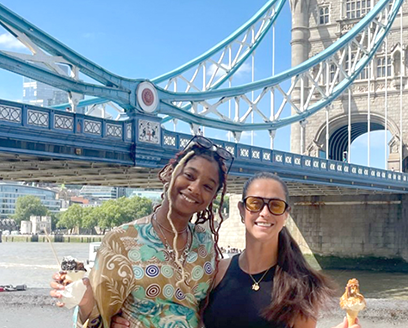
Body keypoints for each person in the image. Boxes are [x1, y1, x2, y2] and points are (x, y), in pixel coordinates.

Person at [112, 172, 361, 328]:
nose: (264, 213)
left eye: (275, 206)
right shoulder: (215, 271)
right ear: (242, 211)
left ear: (286, 215)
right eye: (255, 204)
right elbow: (178, 318)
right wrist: (131, 320)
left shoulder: (303, 286)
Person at [50, 135, 233, 328]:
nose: (195, 188)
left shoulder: (204, 242)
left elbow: (207, 310)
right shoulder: (122, 240)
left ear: (213, 196)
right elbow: (99, 315)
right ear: (170, 173)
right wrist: (85, 299)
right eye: (189, 176)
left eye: (207, 186)